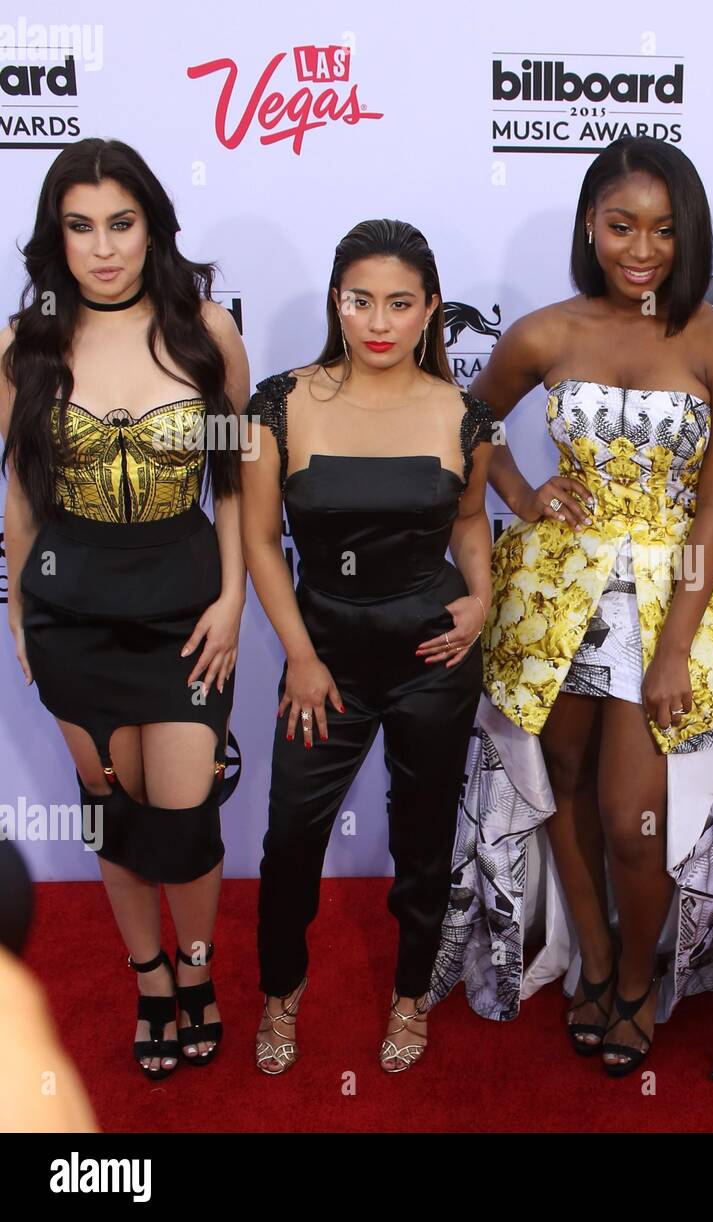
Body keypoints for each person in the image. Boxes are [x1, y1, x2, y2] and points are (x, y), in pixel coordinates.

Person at [426, 137, 713, 1077]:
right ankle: (592, 956)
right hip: (555, 599)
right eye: (623, 226)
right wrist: (519, 492)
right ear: (591, 225)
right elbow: (469, 420)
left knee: (632, 818)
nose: (643, 249)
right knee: (561, 783)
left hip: (670, 598)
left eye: (664, 231)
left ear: (688, 235)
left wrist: (675, 649)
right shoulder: (545, 332)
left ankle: (634, 978)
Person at [1, 138, 247, 1080]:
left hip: (186, 612)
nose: (102, 248)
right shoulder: (26, 346)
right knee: (111, 814)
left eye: (121, 223)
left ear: (152, 228)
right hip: (71, 613)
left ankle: (197, 968)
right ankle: (151, 979)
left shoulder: (205, 333)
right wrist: (19, 611)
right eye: (80, 227)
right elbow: (21, 493)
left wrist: (232, 597)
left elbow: (234, 482)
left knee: (183, 825)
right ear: (55, 237)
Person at [241, 219, 495, 1074]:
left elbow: (470, 521)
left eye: (399, 303)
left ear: (430, 310)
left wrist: (482, 600)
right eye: (360, 302)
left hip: (434, 659)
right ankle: (281, 991)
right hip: (324, 661)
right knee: (288, 840)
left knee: (423, 843)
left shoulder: (464, 413)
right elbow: (258, 540)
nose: (379, 322)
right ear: (335, 303)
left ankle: (410, 995)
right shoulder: (279, 403)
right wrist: (301, 657)